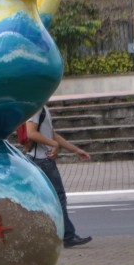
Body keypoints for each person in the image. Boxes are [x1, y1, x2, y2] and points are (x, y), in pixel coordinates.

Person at [25, 105, 93, 248]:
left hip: (43, 160)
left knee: (44, 200)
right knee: (57, 198)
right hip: (42, 160)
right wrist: (53, 144)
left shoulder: (42, 107)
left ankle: (56, 235)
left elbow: (51, 134)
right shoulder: (36, 108)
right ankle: (68, 235)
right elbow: (31, 133)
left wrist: (75, 150)